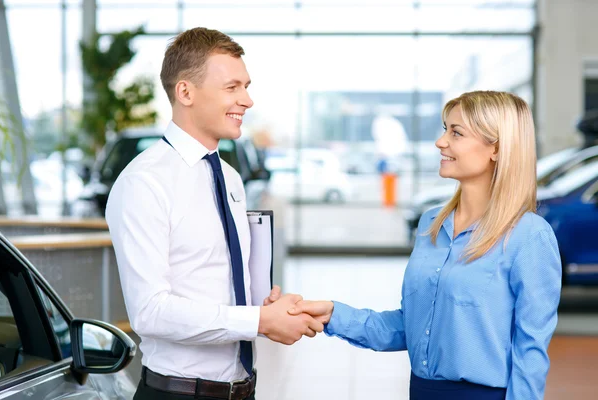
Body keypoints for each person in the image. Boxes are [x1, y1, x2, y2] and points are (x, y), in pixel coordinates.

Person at [285, 91, 562, 399]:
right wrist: (333, 314)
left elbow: (531, 351)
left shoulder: (530, 236)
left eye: (456, 132)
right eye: (445, 129)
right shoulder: (431, 224)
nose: (440, 142)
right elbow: (411, 325)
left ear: (496, 147)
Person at [105, 27, 323, 400]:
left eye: (247, 86)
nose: (248, 100)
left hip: (241, 388)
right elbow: (150, 312)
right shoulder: (144, 182)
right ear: (185, 91)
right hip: (178, 393)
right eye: (232, 87)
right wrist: (257, 321)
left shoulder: (231, 178)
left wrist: (262, 308)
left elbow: (216, 280)